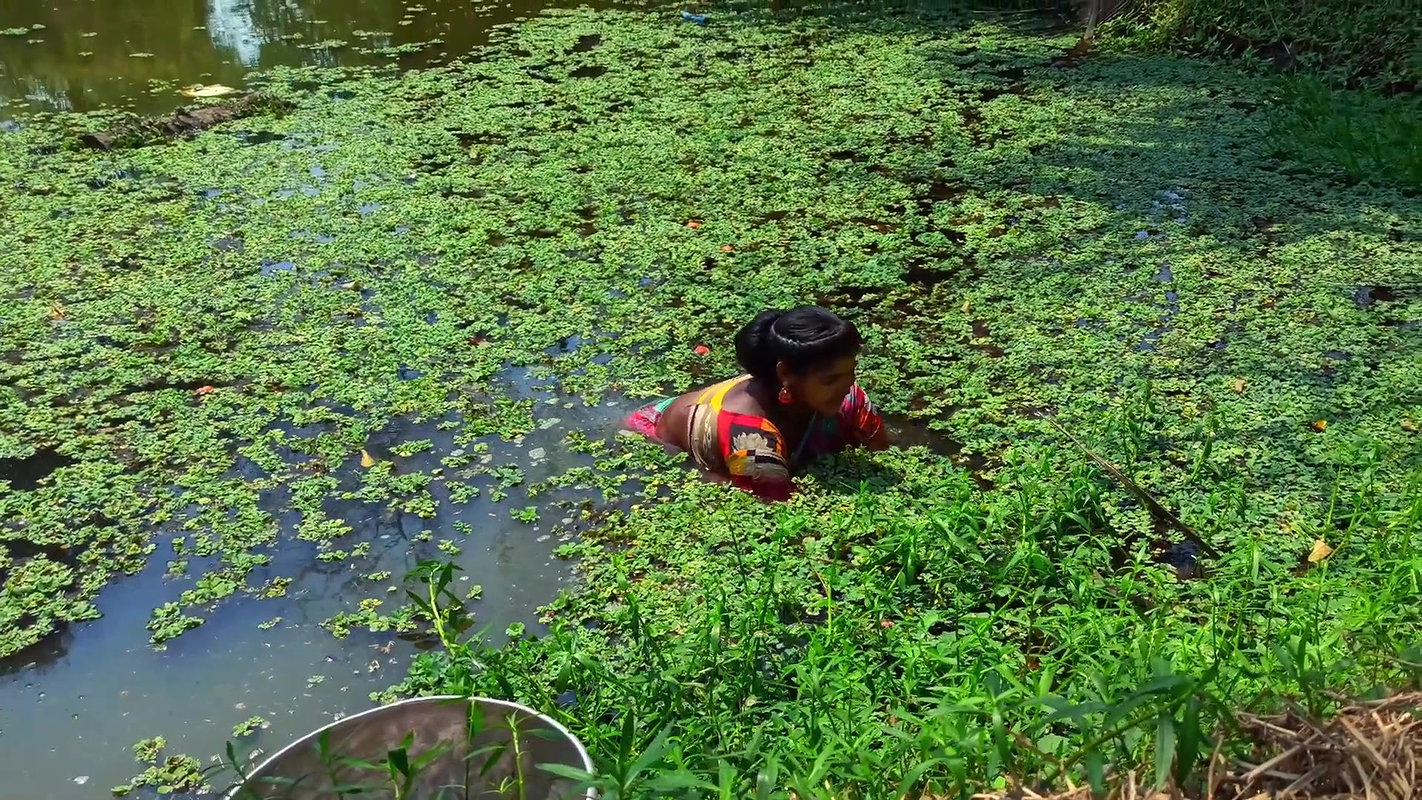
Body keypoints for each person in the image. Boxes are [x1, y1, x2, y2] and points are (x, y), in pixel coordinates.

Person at [626, 306, 889, 501]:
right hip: (660, 431)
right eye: (830, 378)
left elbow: (883, 451)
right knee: (716, 485)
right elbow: (773, 507)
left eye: (851, 371)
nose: (847, 384)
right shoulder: (749, 438)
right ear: (785, 374)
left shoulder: (849, 396)